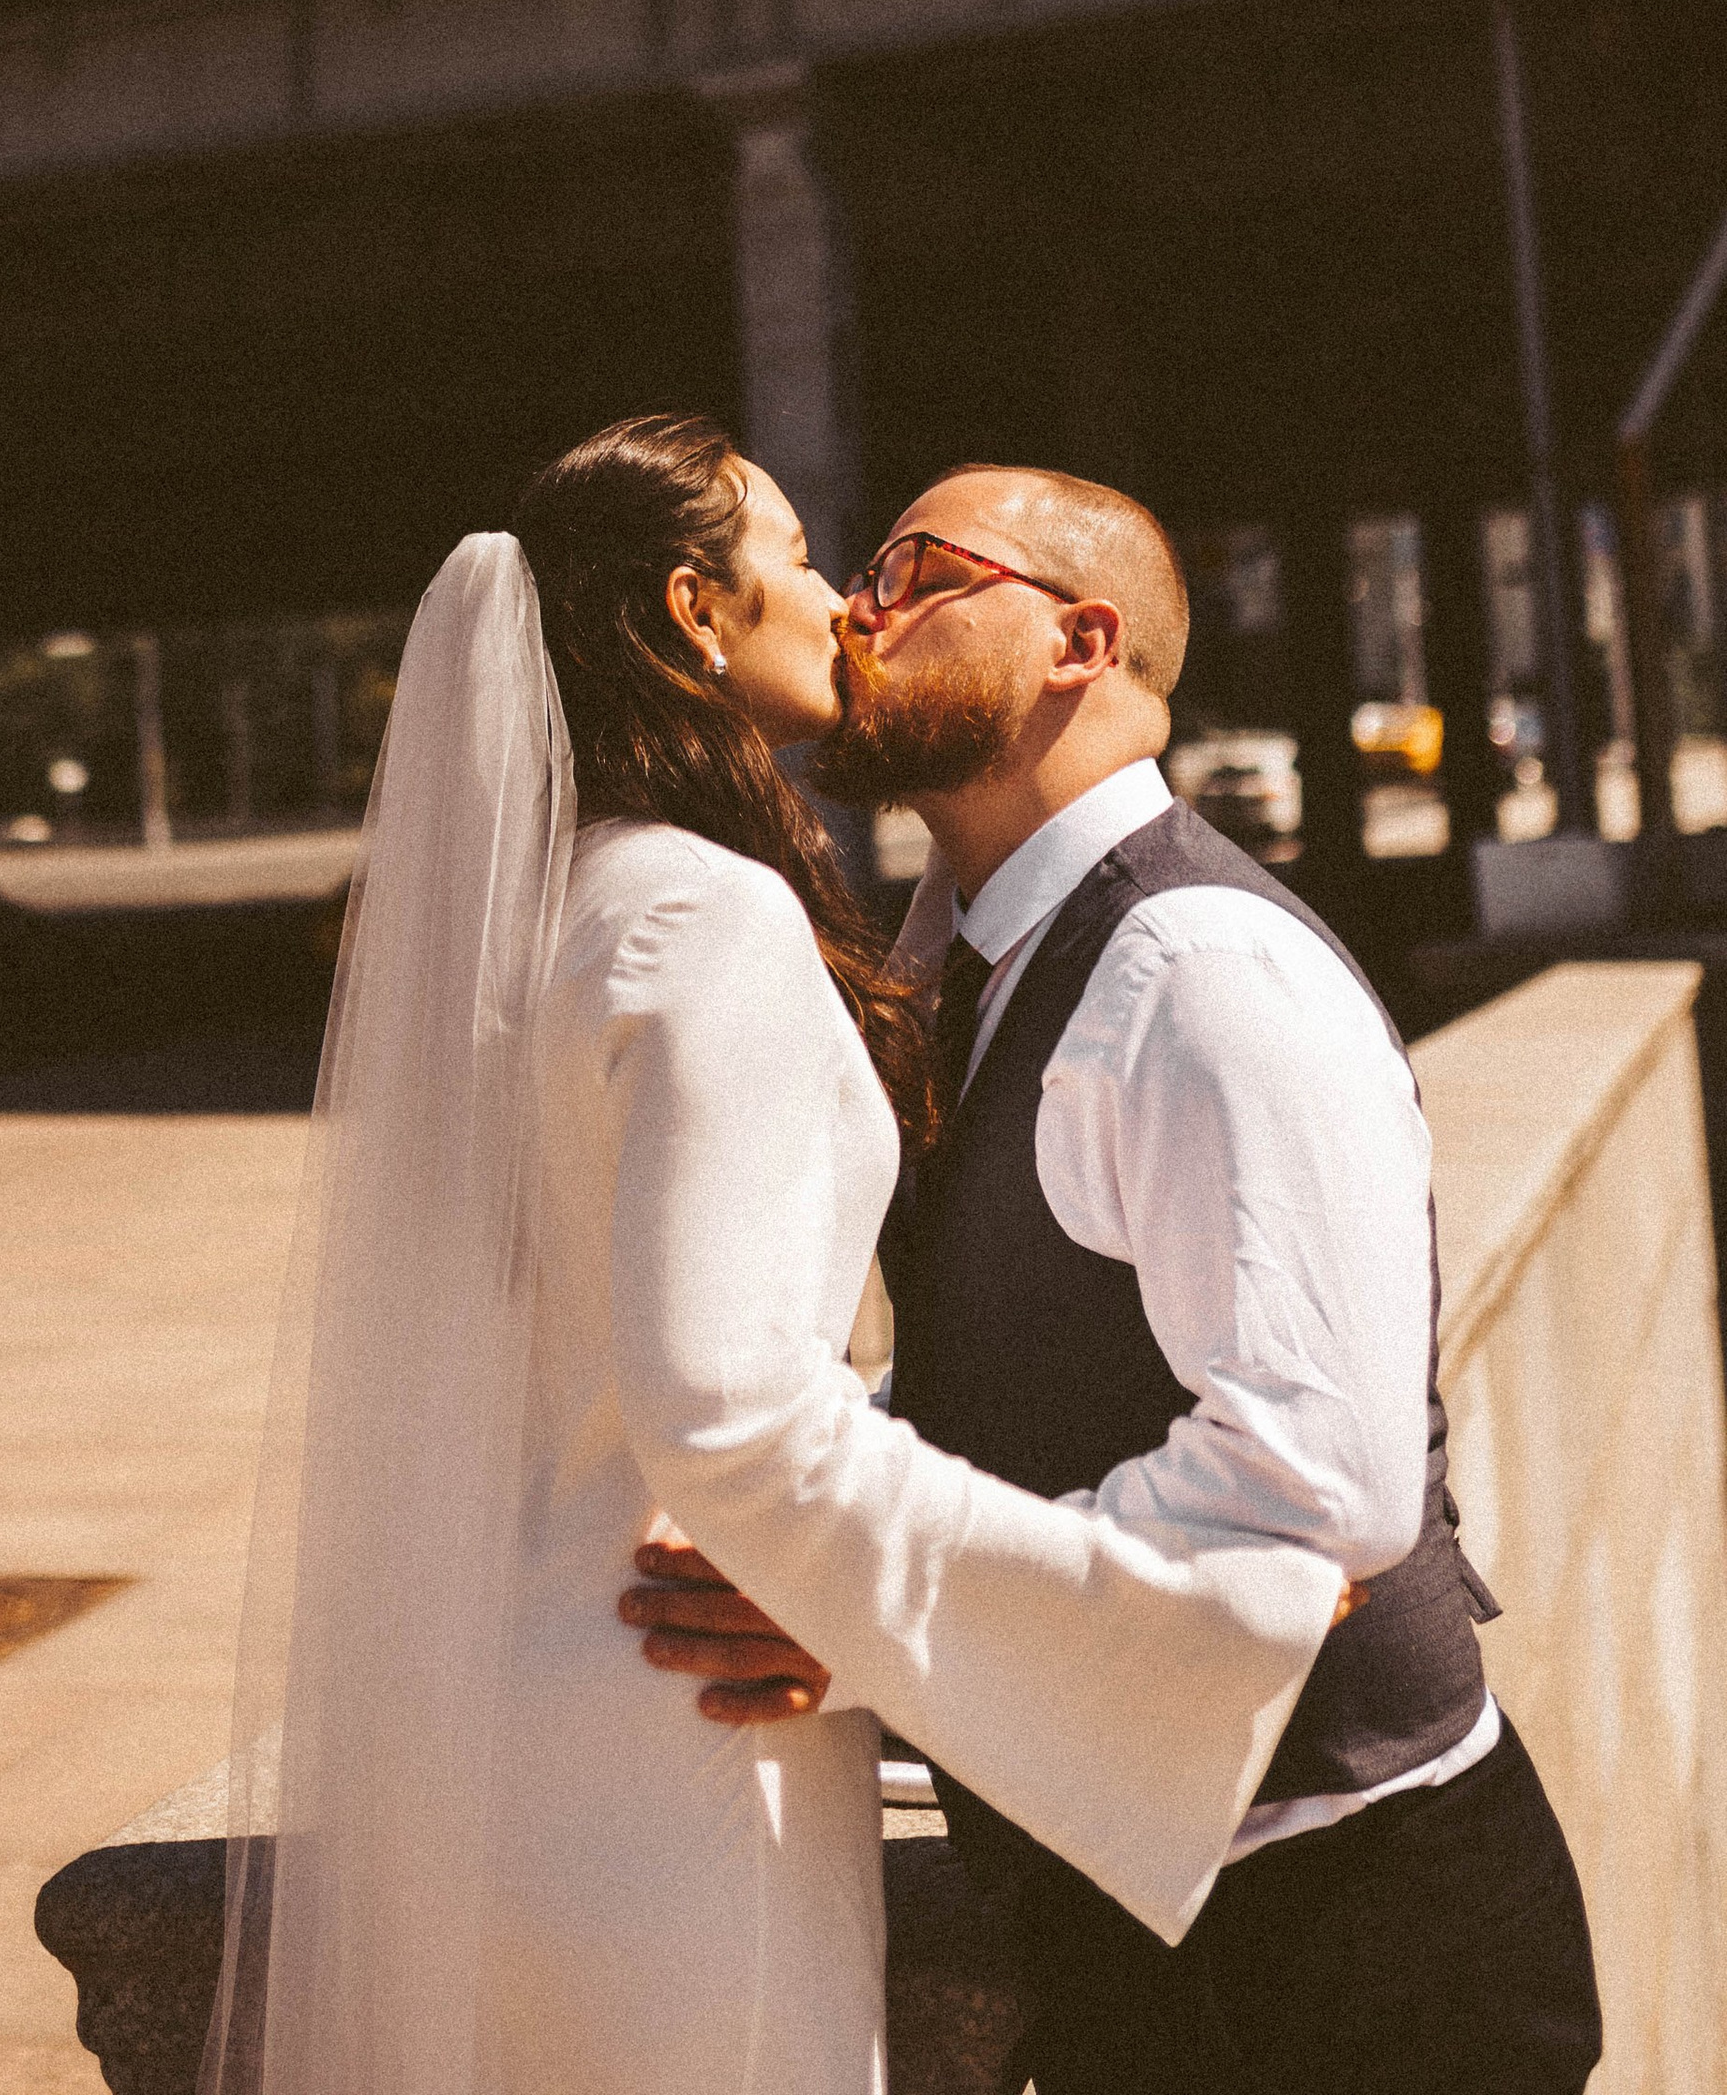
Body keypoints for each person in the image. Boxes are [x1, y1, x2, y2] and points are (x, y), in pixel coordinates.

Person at [203, 419, 1345, 2095]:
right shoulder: (705, 918)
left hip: (486, 1729)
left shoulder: (540, 923)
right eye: (804, 558)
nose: (843, 606)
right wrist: (1138, 1620)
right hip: (678, 1743)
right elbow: (729, 1401)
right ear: (694, 608)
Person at [626, 460, 1603, 2095]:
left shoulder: (1202, 970)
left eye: (916, 570)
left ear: (1079, 637)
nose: (860, 609)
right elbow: (1028, 1358)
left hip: (1347, 1946)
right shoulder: (969, 942)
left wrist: (873, 1612)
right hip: (1142, 1908)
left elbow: (1321, 1481)